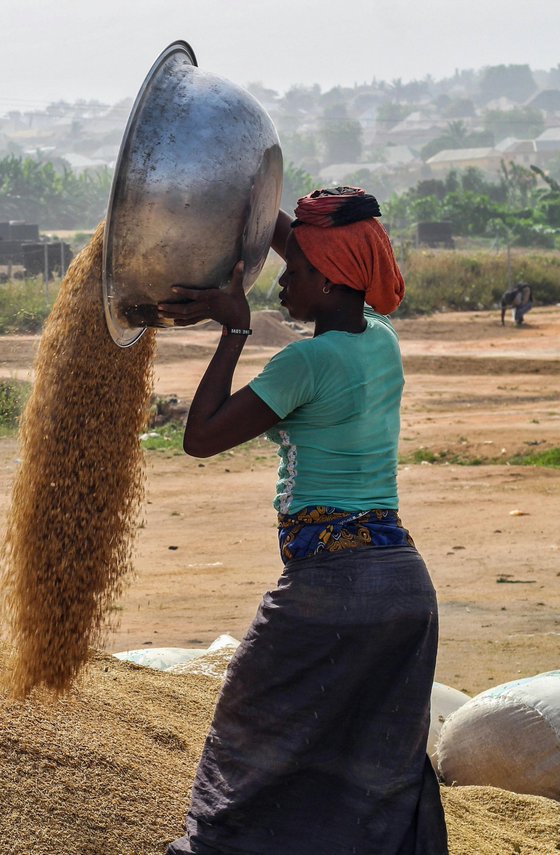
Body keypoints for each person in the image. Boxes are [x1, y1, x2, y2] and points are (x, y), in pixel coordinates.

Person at [155, 187, 447, 854]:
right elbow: (317, 253)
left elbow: (200, 437)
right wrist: (252, 202)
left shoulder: (305, 364)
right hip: (404, 587)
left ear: (327, 278)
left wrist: (233, 329)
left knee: (246, 738)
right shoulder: (381, 343)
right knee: (378, 770)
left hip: (331, 586)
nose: (280, 285)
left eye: (292, 276)